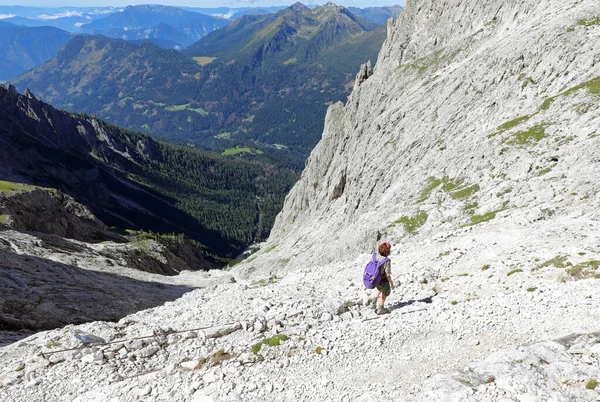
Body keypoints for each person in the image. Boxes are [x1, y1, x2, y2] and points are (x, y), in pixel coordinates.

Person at [371, 241, 395, 315]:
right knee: (385, 293)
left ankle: (373, 301)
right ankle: (380, 308)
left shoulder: (375, 256)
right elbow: (387, 275)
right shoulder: (387, 261)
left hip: (376, 279)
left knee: (379, 288)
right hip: (383, 280)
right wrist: (391, 283)